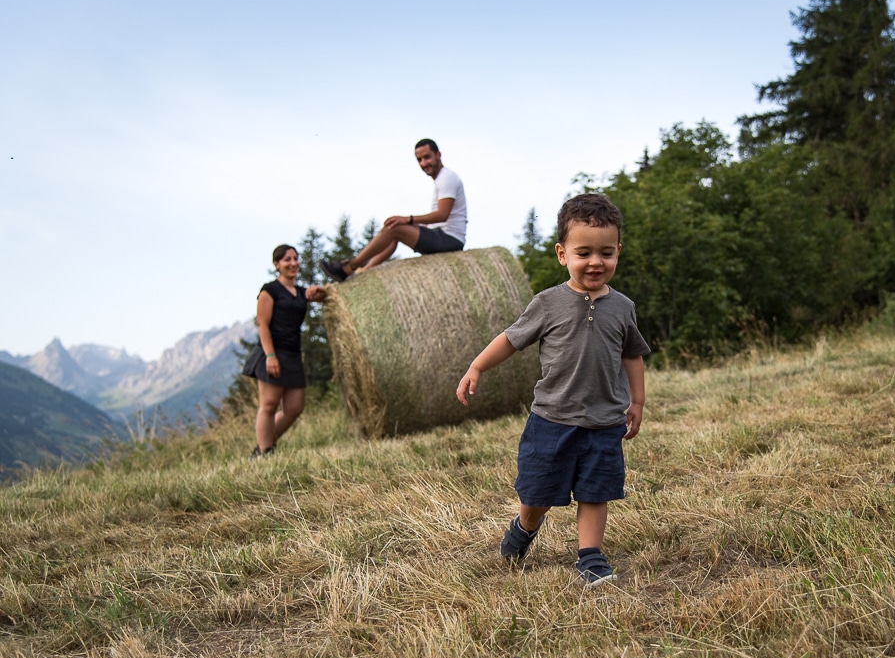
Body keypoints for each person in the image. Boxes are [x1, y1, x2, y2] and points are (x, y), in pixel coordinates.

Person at [455, 193, 650, 586]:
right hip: (551, 419)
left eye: (606, 253)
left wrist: (638, 400)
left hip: (603, 421)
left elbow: (632, 355)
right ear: (563, 254)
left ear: (618, 253)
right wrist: (477, 365)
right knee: (538, 495)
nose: (595, 261)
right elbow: (511, 339)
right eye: (584, 252)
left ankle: (590, 557)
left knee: (596, 491)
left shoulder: (623, 307)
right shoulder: (548, 303)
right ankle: (525, 527)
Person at [319, 138, 467, 280]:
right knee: (394, 228)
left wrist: (408, 219)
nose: (423, 163)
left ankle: (349, 266)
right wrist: (412, 225)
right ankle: (363, 271)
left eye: (427, 157)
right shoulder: (442, 179)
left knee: (394, 228)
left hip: (449, 241)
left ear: (438, 155)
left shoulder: (446, 178)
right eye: (419, 160)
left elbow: (442, 215)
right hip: (440, 235)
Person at [242, 244, 326, 457]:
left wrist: (319, 291)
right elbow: (263, 325)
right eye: (287, 260)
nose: (293, 263)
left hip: (293, 353)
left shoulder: (300, 292)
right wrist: (270, 356)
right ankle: (264, 451)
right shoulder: (269, 291)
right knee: (269, 404)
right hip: (272, 352)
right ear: (276, 264)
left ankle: (264, 446)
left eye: (295, 258)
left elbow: (326, 296)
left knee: (295, 407)